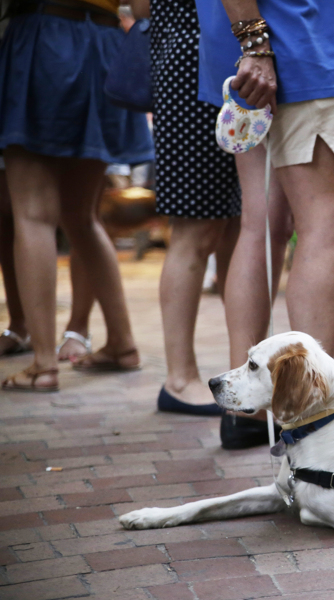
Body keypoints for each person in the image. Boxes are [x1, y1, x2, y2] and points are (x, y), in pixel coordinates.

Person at [194, 0, 334, 448]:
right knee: (328, 219)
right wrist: (255, 42)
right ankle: (313, 410)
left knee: (262, 223)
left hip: (263, 45)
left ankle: (246, 405)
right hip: (286, 42)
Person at [0, 0, 153, 392]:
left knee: (33, 214)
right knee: (82, 216)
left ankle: (43, 365)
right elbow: (143, 5)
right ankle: (122, 344)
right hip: (104, 42)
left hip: (43, 35)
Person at [125, 0, 244, 414]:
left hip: (219, 63)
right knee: (198, 229)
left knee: (238, 227)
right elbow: (142, 6)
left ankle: (243, 372)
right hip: (195, 67)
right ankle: (178, 379)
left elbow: (141, 6)